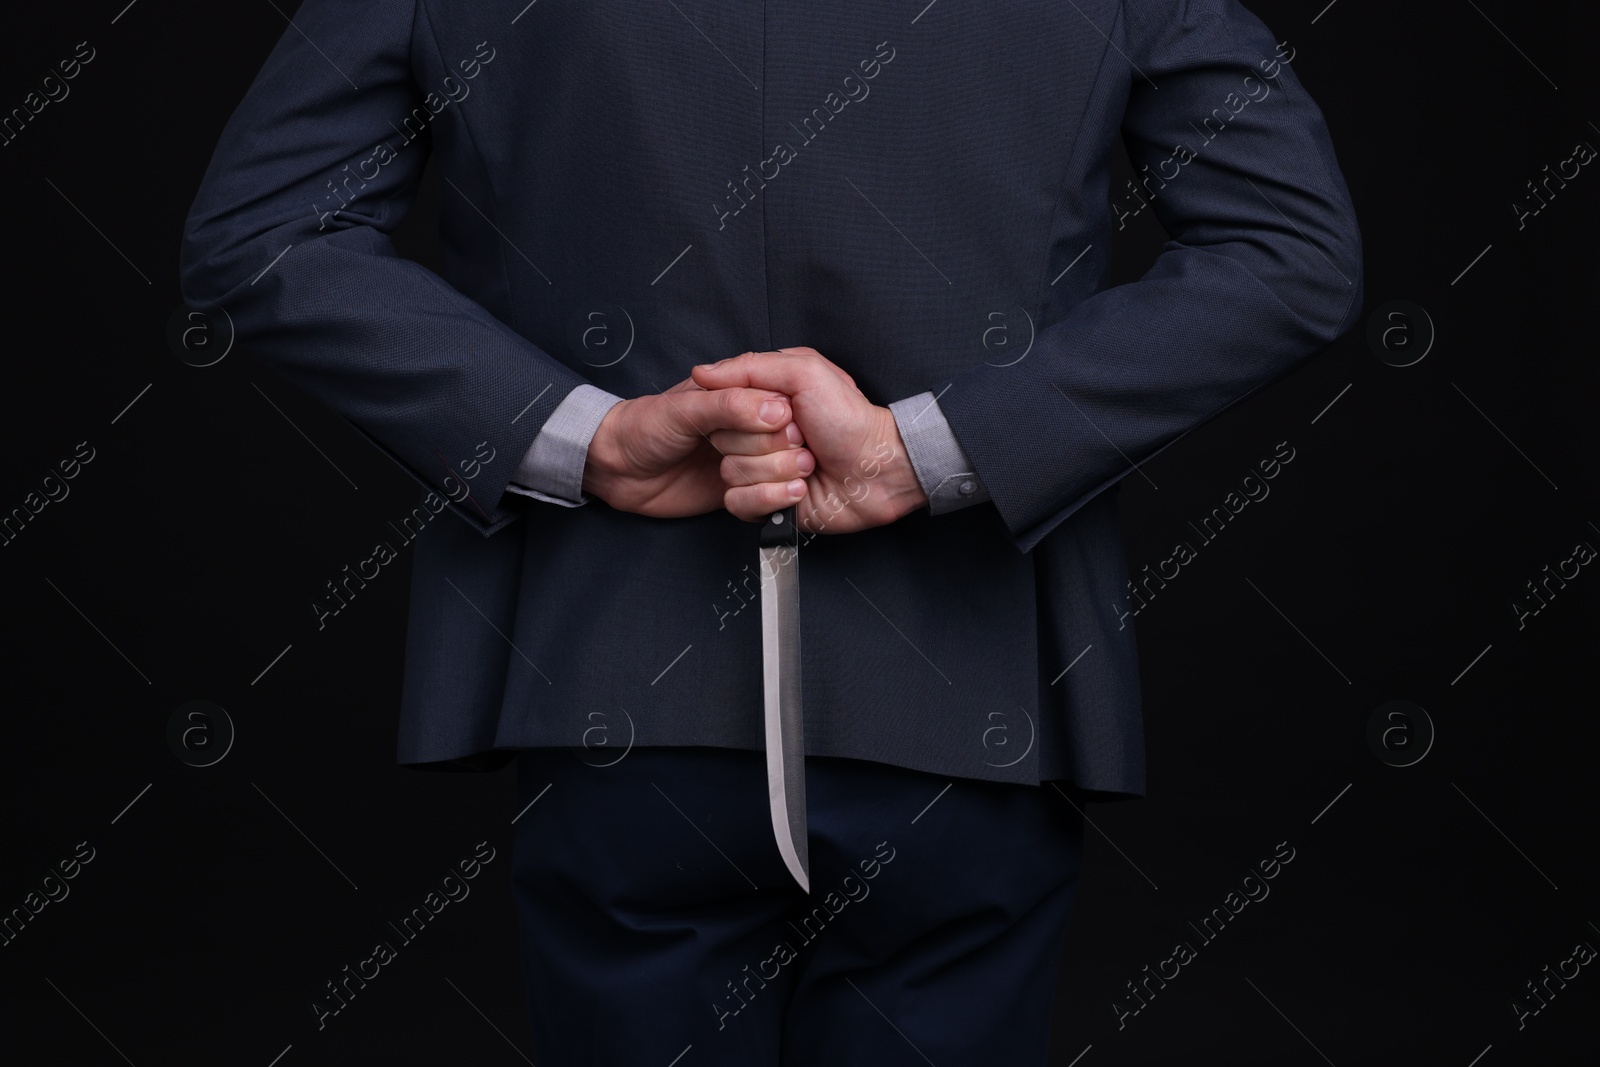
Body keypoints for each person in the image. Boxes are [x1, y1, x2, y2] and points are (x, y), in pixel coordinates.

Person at [180, 0, 1361, 1062]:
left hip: (616, 686)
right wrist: (930, 448)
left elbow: (266, 231)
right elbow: (1287, 251)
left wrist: (588, 436)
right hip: (974, 689)